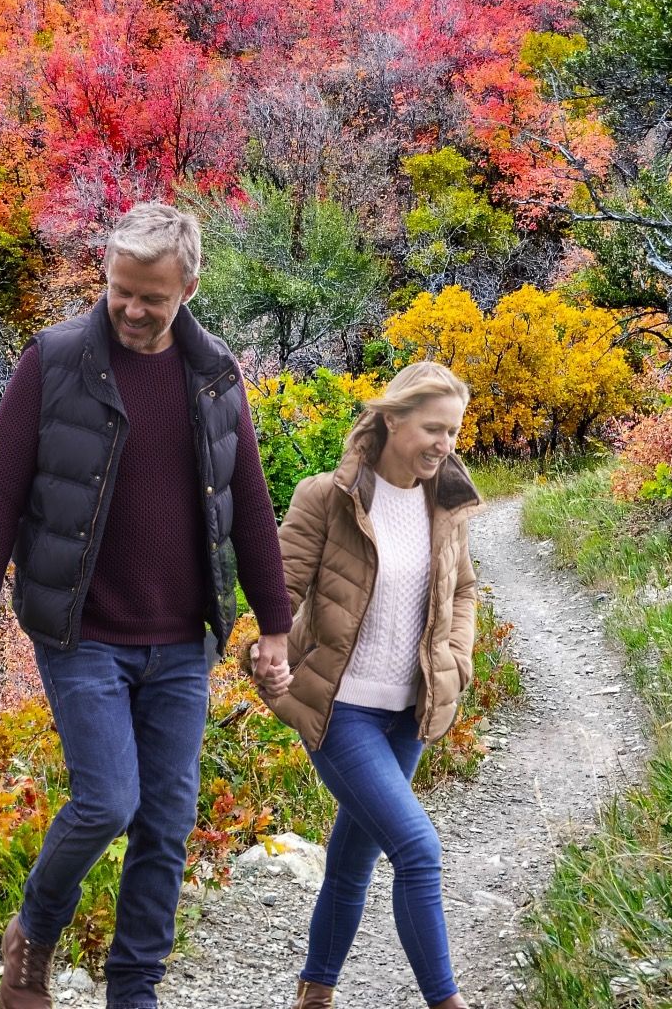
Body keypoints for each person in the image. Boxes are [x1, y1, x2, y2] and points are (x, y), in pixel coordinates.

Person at [0, 202, 295, 1009]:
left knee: (166, 822)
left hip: (183, 637)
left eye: (154, 298)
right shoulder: (56, 360)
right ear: (104, 277)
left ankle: (133, 990)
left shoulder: (213, 374)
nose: (134, 311)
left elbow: (249, 504)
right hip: (83, 630)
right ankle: (33, 935)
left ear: (190, 287)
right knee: (108, 799)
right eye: (120, 291)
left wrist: (274, 624)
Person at [245, 361, 481, 1009]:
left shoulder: (448, 502)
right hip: (340, 709)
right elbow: (281, 590)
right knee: (417, 848)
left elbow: (462, 591)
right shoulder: (327, 496)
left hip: (408, 712)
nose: (445, 444)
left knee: (352, 857)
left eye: (453, 432)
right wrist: (267, 653)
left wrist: (456, 660)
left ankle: (314, 993)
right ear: (392, 420)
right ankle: (446, 1002)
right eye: (434, 429)